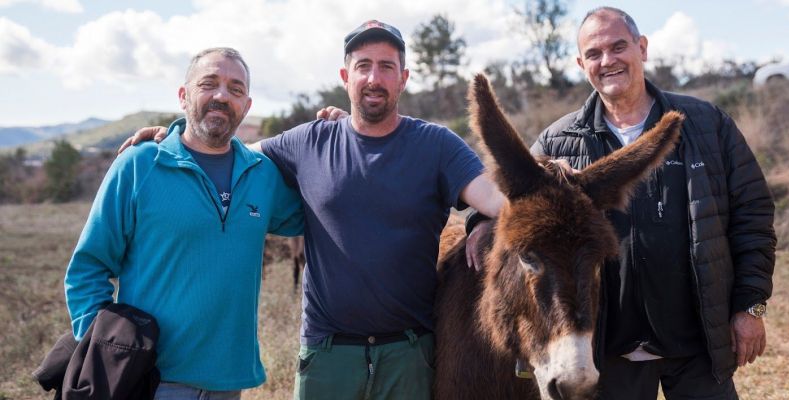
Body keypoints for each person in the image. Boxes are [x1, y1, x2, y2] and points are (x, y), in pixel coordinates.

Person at [123, 20, 506, 400]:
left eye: (387, 67)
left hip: (407, 354)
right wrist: (175, 135)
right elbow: (226, 157)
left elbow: (498, 199)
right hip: (327, 356)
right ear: (345, 75)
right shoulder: (307, 142)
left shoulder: (437, 146)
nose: (374, 77)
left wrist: (483, 219)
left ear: (403, 78)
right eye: (363, 66)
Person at [467, 7, 776, 400]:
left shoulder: (706, 125)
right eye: (594, 54)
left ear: (641, 48)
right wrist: (482, 219)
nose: (607, 61)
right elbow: (518, 201)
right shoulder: (558, 141)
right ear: (581, 64)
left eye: (618, 47)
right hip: (611, 348)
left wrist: (751, 307)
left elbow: (753, 215)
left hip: (697, 340)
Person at [65, 47, 304, 399]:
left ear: (247, 106)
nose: (222, 96)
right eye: (209, 84)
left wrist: (346, 135)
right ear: (183, 95)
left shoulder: (262, 175)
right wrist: (106, 355)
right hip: (149, 379)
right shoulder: (140, 164)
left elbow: (324, 210)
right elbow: (87, 269)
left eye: (235, 89)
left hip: (228, 381)